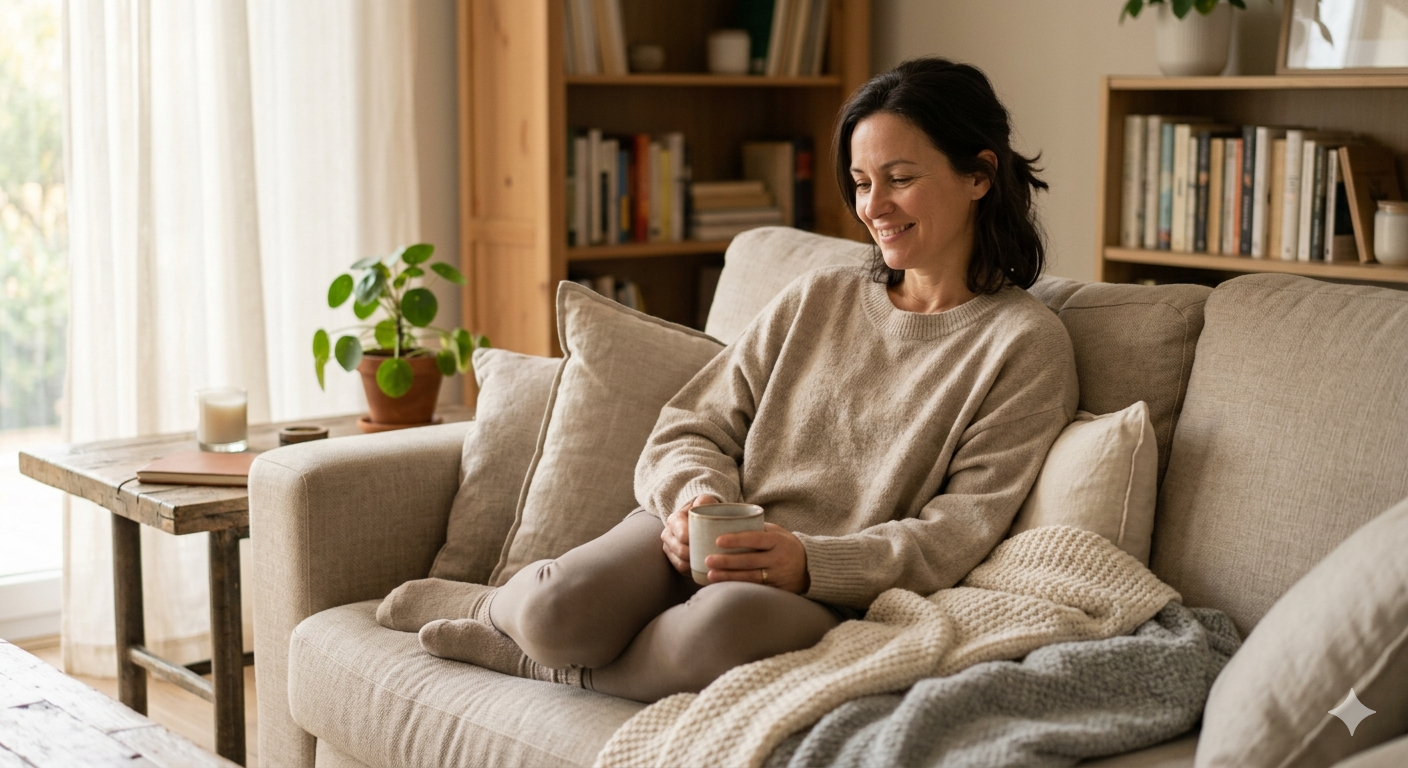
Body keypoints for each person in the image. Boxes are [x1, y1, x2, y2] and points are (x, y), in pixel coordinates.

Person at [377, 57, 1078, 704]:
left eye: (900, 178)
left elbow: (959, 531)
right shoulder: (821, 297)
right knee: (562, 608)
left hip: (816, 585)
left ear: (979, 175)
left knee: (714, 631)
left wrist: (807, 562)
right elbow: (692, 425)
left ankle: (529, 660)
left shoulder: (1024, 346)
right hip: (709, 529)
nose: (874, 207)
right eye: (862, 183)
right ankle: (484, 604)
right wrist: (696, 499)